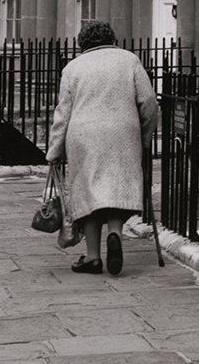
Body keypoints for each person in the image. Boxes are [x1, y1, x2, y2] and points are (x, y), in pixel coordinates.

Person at [46, 21, 158, 275]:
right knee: (116, 188)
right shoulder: (129, 60)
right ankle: (115, 234)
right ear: (112, 38)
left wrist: (54, 150)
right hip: (122, 133)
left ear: (82, 43)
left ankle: (93, 257)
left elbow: (63, 113)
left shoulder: (73, 67)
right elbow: (149, 102)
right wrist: (145, 135)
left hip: (83, 136)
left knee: (89, 193)